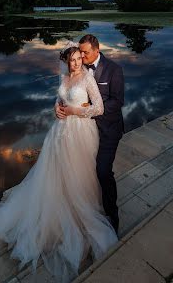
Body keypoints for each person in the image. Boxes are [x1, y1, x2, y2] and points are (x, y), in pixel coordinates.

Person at [0, 42, 117, 282]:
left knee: (79, 174)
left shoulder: (88, 78)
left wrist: (74, 112)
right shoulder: (64, 77)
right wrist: (57, 110)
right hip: (59, 132)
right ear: (65, 61)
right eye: (71, 60)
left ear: (82, 60)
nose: (75, 64)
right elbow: (59, 101)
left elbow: (99, 108)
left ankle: (80, 213)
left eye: (78, 60)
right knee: (58, 174)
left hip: (81, 133)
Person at [56, 34, 124, 233]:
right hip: (81, 130)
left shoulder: (114, 70)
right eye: (79, 53)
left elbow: (117, 102)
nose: (81, 56)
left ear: (97, 49)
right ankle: (78, 206)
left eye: (85, 52)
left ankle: (112, 215)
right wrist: (57, 108)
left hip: (108, 128)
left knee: (102, 171)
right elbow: (65, 92)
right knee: (76, 169)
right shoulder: (77, 66)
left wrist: (90, 108)